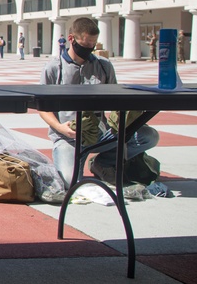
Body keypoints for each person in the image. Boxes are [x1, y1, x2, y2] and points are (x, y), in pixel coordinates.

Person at [39, 16, 160, 188]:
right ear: (71, 39)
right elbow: (43, 107)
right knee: (70, 182)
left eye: (93, 45)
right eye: (85, 44)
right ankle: (78, 159)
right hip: (68, 136)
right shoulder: (53, 68)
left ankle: (103, 162)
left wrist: (124, 116)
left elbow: (116, 99)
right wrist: (60, 128)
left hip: (101, 133)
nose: (89, 49)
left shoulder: (104, 66)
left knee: (149, 136)